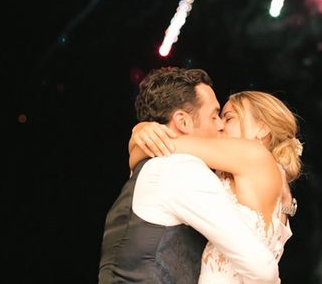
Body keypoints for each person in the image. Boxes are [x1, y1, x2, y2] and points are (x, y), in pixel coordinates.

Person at [98, 67, 281, 284]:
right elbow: (262, 268)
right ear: (183, 122)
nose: (220, 125)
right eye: (215, 116)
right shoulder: (182, 170)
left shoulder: (152, 166)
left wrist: (138, 139)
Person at [130, 90, 303, 283]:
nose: (220, 126)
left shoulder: (252, 153)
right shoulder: (265, 175)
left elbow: (158, 147)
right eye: (218, 118)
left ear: (262, 129)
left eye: (228, 118)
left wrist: (141, 131)